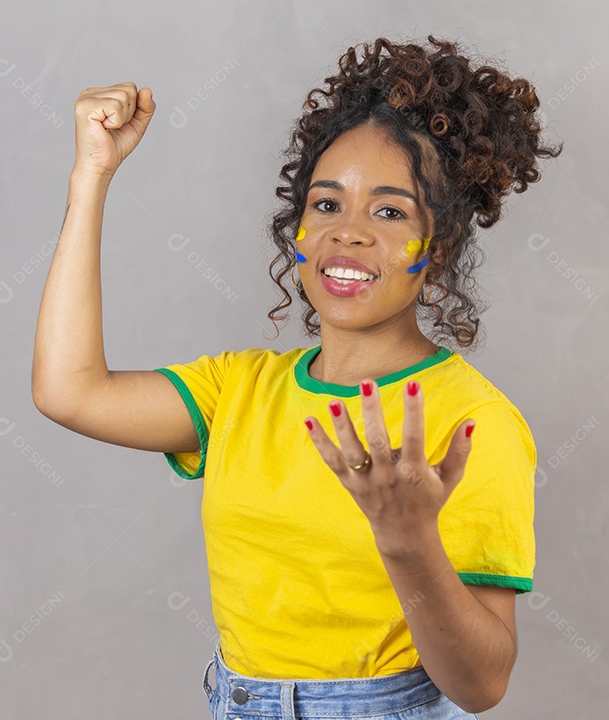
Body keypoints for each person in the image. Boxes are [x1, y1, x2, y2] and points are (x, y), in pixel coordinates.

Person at [32, 34, 562, 720]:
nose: (350, 233)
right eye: (327, 204)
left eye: (391, 211)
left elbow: (480, 685)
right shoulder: (240, 390)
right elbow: (67, 389)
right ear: (300, 230)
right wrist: (90, 178)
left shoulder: (473, 423)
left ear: (440, 247)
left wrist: (408, 543)